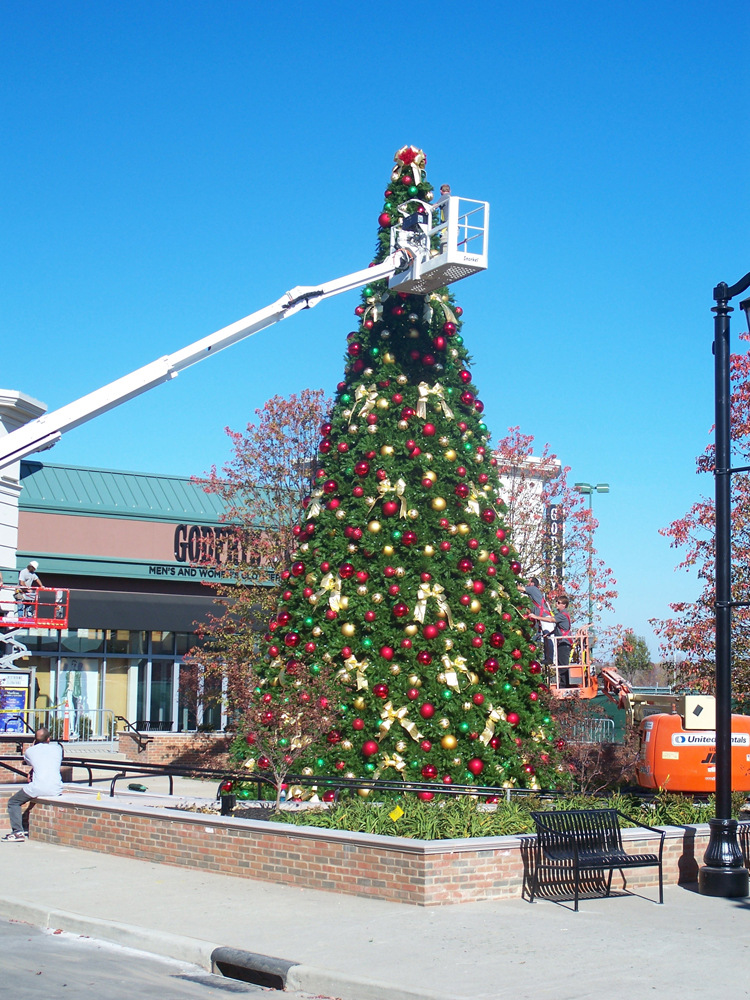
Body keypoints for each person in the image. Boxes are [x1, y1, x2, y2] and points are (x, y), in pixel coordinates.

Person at [3, 727, 63, 842]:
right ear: (49, 739)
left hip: (38, 787)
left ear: (35, 740)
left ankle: (17, 832)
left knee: (13, 802)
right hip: (56, 787)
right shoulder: (58, 749)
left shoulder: (30, 751)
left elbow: (30, 762)